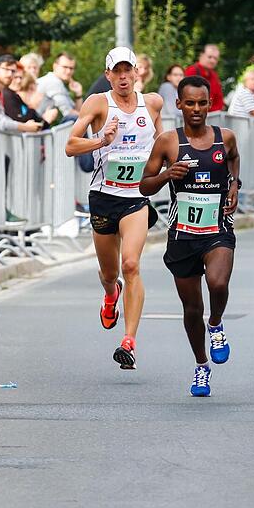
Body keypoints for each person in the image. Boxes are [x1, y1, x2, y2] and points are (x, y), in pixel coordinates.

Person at [140, 75, 240, 397]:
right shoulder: (169, 142)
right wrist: (168, 174)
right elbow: (144, 185)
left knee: (218, 283)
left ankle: (217, 324)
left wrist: (235, 184)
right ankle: (200, 365)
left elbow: (234, 161)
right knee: (191, 309)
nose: (197, 109)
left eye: (202, 103)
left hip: (217, 229)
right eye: (190, 103)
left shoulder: (225, 138)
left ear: (210, 104)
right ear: (179, 104)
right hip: (182, 233)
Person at [66, 47, 164, 370]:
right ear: (108, 75)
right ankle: (111, 293)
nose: (123, 77)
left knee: (132, 264)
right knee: (110, 273)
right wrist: (101, 141)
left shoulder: (152, 104)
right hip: (104, 197)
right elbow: (70, 145)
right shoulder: (98, 104)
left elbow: (164, 147)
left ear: (137, 72)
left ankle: (129, 341)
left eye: (128, 71)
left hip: (136, 198)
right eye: (116, 72)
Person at [0, 55, 51, 126]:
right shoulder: (7, 95)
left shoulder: (15, 95)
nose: (18, 81)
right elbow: (17, 121)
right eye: (15, 77)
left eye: (21, 78)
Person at [37, 52, 84, 122]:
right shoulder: (53, 82)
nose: (68, 71)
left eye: (71, 68)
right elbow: (70, 114)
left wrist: (78, 94)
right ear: (55, 66)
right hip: (31, 127)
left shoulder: (56, 82)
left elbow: (76, 112)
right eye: (65, 67)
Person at [184, 44, 224, 112]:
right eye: (209, 57)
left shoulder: (214, 75)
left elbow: (219, 101)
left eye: (215, 58)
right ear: (201, 55)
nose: (212, 61)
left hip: (212, 117)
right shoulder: (192, 71)